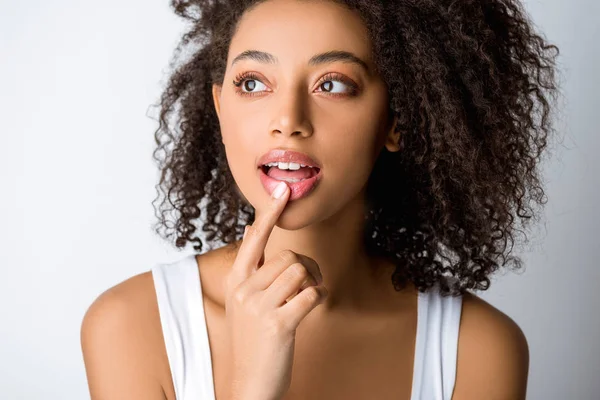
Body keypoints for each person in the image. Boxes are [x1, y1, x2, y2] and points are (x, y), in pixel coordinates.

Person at [80, 0, 560, 399]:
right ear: (220, 107)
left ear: (398, 119)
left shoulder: (478, 350)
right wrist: (251, 385)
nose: (288, 119)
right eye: (252, 83)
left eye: (332, 84)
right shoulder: (131, 326)